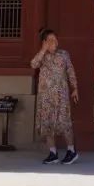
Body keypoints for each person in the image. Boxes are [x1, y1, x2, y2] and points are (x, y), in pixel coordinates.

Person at [30, 29, 80, 165]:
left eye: (55, 39)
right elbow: (33, 64)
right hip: (45, 96)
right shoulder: (42, 56)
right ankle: (53, 153)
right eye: (51, 40)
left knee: (64, 122)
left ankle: (71, 151)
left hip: (60, 95)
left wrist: (75, 87)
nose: (54, 42)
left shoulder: (63, 54)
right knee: (47, 123)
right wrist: (43, 50)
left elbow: (70, 71)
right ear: (44, 42)